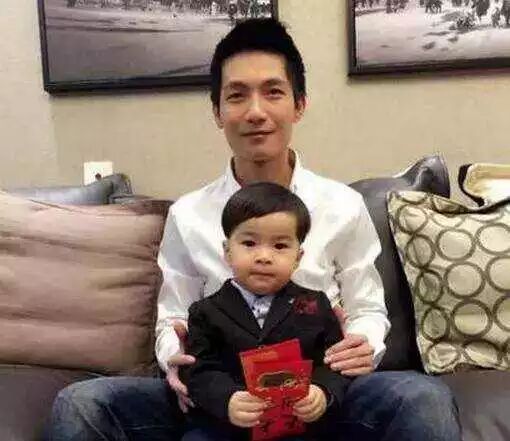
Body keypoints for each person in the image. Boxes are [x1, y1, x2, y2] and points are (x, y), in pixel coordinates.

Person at [47, 18, 461, 441]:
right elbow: (173, 318)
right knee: (81, 404)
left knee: (423, 398)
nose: (256, 112)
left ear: (299, 104)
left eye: (273, 92)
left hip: (321, 395)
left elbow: (368, 309)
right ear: (217, 112)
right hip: (218, 396)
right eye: (237, 95)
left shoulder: (343, 206)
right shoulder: (188, 216)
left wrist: (360, 346)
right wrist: (175, 356)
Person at [181, 182, 351, 441]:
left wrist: (322, 391)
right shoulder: (205, 312)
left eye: (280, 246)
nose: (264, 256)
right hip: (226, 429)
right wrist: (227, 399)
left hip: (299, 426)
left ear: (298, 257)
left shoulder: (315, 303)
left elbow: (333, 362)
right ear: (227, 252)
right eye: (249, 243)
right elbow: (199, 371)